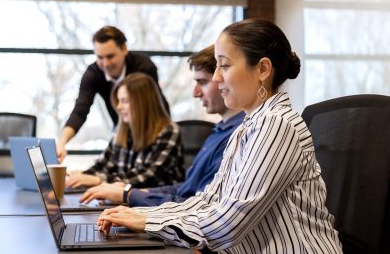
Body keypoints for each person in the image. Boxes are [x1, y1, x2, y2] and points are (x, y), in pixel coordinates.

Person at [96, 19, 343, 254]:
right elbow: (207, 200)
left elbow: (227, 223)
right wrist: (146, 216)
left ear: (263, 69)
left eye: (224, 65)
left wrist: (149, 223)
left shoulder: (275, 123)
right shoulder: (249, 126)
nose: (216, 77)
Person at [78, 45, 245, 206]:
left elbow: (151, 177)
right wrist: (126, 191)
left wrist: (126, 193)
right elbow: (186, 188)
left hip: (176, 216)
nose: (119, 107)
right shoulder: (217, 132)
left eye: (125, 101)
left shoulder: (235, 136)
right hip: (168, 209)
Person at [57, 26, 169, 162]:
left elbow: (152, 109)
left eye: (110, 56)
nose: (105, 63)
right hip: (121, 131)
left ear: (124, 49)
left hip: (151, 131)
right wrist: (62, 142)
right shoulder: (93, 73)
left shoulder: (144, 67)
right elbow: (80, 111)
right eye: (100, 57)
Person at [65, 73, 184, 190]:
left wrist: (98, 181)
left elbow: (147, 176)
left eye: (125, 101)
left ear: (143, 103)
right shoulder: (123, 131)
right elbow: (102, 165)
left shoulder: (168, 131)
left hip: (156, 205)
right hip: (123, 202)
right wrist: (81, 176)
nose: (119, 107)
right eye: (119, 101)